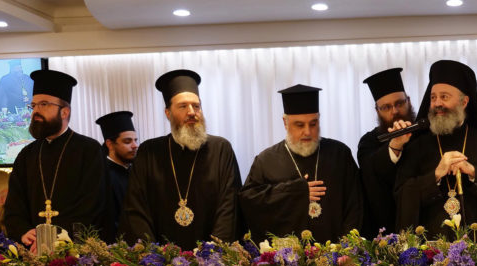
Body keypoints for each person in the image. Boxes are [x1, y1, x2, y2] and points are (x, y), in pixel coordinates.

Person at [394, 60, 477, 237]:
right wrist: (435, 175)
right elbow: (402, 194)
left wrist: (474, 173)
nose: (437, 103)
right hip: (429, 247)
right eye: (433, 97)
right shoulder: (418, 145)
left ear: (464, 102)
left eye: (444, 97)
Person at [121, 69, 240, 249]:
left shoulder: (221, 149)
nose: (192, 112)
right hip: (160, 260)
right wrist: (153, 255)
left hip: (213, 259)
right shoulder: (149, 151)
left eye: (196, 106)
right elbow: (136, 208)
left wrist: (214, 253)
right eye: (183, 106)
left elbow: (229, 206)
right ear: (168, 113)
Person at [238, 84, 362, 243]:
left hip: (337, 253)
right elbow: (250, 203)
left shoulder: (339, 154)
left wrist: (347, 246)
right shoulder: (266, 160)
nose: (308, 132)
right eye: (299, 125)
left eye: (313, 123)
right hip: (287, 256)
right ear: (285, 122)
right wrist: (295, 192)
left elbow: (355, 206)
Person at [4, 69, 104, 251]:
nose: (36, 111)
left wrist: (56, 238)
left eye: (44, 104)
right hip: (33, 251)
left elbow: (93, 204)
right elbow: (14, 206)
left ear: (64, 112)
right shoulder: (27, 155)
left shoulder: (89, 150)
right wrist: (24, 232)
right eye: (33, 106)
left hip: (76, 251)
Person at [357, 67, 415, 238]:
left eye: (399, 103)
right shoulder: (369, 142)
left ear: (408, 102)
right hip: (387, 233)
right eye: (386, 107)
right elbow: (372, 171)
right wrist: (395, 145)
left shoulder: (425, 135)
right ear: (377, 110)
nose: (394, 111)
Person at [95, 110, 139, 240]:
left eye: (135, 140)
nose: (135, 146)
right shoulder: (101, 176)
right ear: (110, 144)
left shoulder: (137, 171)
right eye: (127, 141)